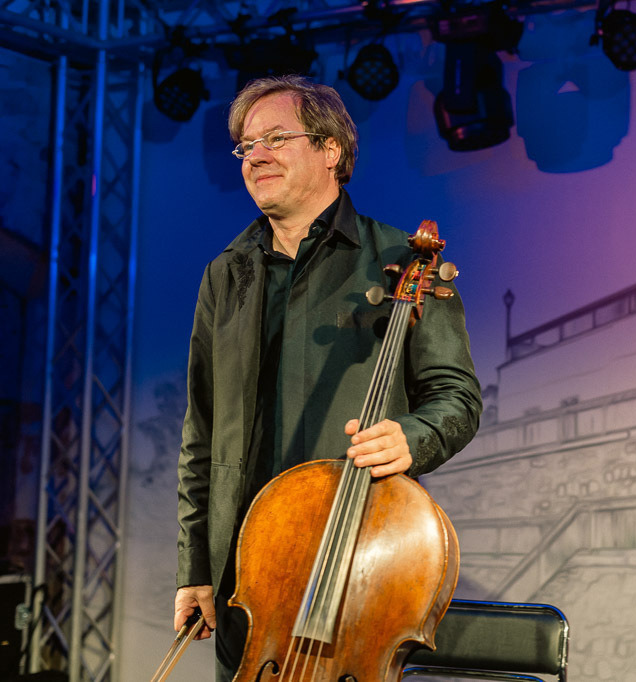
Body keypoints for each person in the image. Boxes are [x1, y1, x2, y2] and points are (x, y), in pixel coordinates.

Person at [172, 74, 481, 680]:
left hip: (356, 560)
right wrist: (196, 569)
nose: (254, 155)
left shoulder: (403, 262)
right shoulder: (224, 275)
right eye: (244, 146)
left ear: (330, 148)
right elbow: (201, 437)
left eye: (274, 138)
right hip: (248, 582)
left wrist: (409, 438)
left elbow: (457, 397)